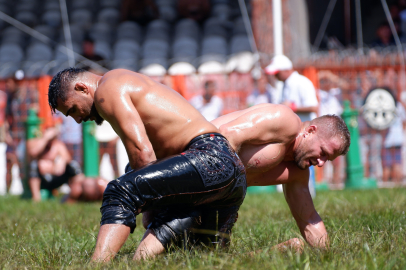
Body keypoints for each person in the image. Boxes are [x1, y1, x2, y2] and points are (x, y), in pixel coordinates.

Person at [47, 68, 246, 262]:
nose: (78, 119)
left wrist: (148, 209)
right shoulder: (123, 80)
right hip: (229, 173)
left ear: (82, 88)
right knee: (206, 258)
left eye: (73, 109)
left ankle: (97, 265)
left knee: (120, 190)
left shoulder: (106, 89)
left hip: (209, 158)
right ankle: (139, 261)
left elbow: (143, 154)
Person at [142, 104, 350, 253]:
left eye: (327, 160)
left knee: (210, 259)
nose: (321, 162)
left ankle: (284, 249)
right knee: (155, 242)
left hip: (209, 197)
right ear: (310, 131)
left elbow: (308, 218)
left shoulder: (296, 172)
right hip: (178, 166)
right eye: (323, 152)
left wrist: (328, 257)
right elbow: (222, 137)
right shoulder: (286, 121)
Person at [265, 54, 319, 196]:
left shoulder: (302, 82)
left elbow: (313, 107)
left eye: (277, 73)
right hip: (293, 132)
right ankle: (295, 193)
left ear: (285, 69)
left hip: (305, 131)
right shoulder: (285, 85)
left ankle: (308, 192)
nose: (275, 76)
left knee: (305, 161)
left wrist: (291, 107)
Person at [27, 127, 85, 202]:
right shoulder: (34, 143)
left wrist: (62, 161)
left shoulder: (58, 145)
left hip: (56, 177)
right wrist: (45, 138)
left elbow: (68, 159)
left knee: (73, 165)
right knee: (33, 165)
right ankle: (36, 198)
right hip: (42, 179)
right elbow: (33, 153)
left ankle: (79, 194)